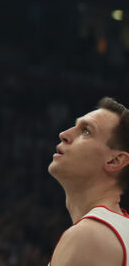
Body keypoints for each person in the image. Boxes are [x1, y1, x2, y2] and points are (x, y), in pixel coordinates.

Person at [48, 97, 129, 266]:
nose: (64, 134)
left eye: (86, 131)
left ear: (115, 160)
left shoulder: (90, 236)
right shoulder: (119, 230)